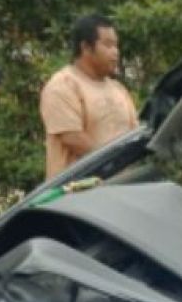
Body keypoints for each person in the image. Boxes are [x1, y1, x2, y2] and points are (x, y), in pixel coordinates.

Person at [40, 15, 137, 179]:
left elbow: (133, 133)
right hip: (78, 196)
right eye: (108, 45)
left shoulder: (118, 89)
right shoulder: (62, 85)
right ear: (86, 47)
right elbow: (73, 138)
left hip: (121, 187)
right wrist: (116, 162)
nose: (116, 52)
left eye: (116, 45)